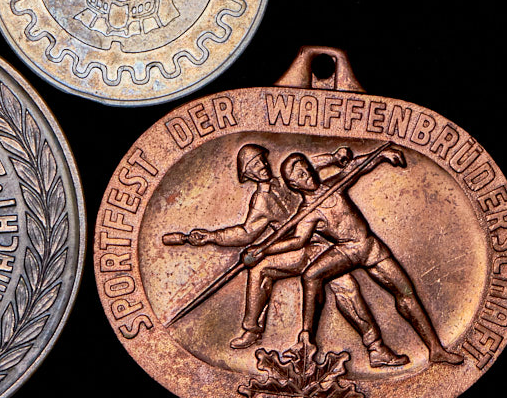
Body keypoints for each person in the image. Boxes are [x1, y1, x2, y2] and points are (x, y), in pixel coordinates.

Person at [187, 144, 408, 367]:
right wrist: (211, 237)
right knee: (260, 269)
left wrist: (333, 157)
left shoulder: (287, 178)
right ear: (248, 174)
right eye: (254, 165)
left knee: (346, 287)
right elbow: (247, 232)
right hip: (295, 249)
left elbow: (311, 164)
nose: (262, 165)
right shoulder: (261, 202)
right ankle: (252, 329)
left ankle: (376, 348)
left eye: (261, 159)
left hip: (325, 244)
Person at [250, 147, 463, 365]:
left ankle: (435, 349)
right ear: (295, 185)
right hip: (347, 251)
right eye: (301, 175)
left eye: (307, 169)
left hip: (370, 248)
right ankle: (306, 338)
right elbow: (297, 240)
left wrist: (380, 156)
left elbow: (355, 168)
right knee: (311, 275)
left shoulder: (334, 185)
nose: (308, 175)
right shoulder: (308, 212)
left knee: (405, 292)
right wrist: (263, 249)